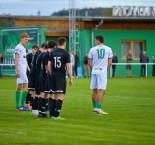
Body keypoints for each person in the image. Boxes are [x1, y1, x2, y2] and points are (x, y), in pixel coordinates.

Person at [48, 37, 73, 120]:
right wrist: (71, 78)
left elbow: (49, 64)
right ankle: (57, 115)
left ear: (58, 43)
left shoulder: (52, 52)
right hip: (60, 76)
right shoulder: (66, 53)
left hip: (53, 75)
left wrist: (51, 74)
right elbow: (68, 66)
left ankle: (51, 115)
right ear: (65, 44)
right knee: (61, 95)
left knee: (53, 95)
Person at [88, 35, 112, 115]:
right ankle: (99, 109)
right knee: (102, 90)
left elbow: (89, 63)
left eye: (96, 40)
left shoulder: (92, 49)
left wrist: (94, 69)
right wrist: (105, 70)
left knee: (95, 90)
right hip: (102, 72)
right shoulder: (108, 49)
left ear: (98, 41)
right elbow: (110, 63)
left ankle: (94, 108)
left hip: (94, 71)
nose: (95, 42)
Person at [14, 32, 30, 111]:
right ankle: (22, 105)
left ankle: (18, 106)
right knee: (26, 85)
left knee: (19, 87)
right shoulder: (18, 47)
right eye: (25, 39)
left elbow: (24, 59)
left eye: (27, 39)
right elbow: (16, 59)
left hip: (23, 69)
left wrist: (28, 68)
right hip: (20, 70)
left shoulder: (23, 48)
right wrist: (17, 70)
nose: (26, 41)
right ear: (22, 38)